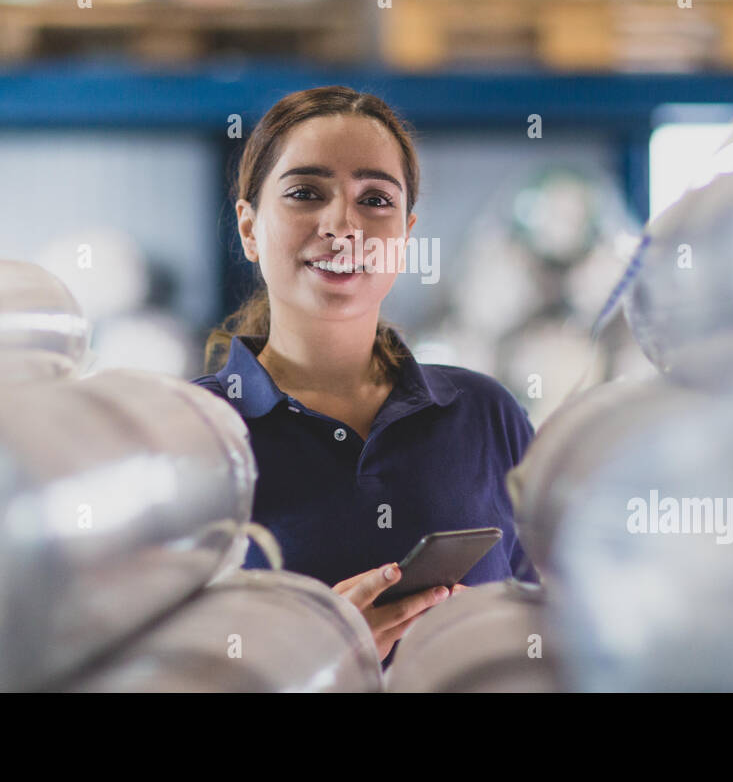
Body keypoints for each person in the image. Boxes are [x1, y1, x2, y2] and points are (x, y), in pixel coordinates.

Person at [191, 85, 539, 669]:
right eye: (306, 192)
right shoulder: (193, 434)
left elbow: (545, 629)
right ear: (250, 229)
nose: (343, 224)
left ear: (405, 234)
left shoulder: (485, 417)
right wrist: (306, 659)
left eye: (375, 199)